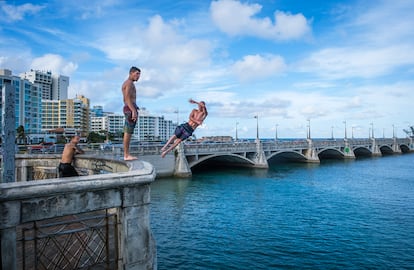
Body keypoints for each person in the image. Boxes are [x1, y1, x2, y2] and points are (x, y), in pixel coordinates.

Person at [122, 66, 141, 161]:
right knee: (128, 132)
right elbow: (126, 98)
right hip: (130, 109)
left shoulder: (129, 83)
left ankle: (126, 154)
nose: (138, 76)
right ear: (131, 73)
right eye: (137, 74)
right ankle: (126, 155)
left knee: (128, 132)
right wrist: (133, 110)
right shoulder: (129, 83)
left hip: (130, 108)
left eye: (139, 74)